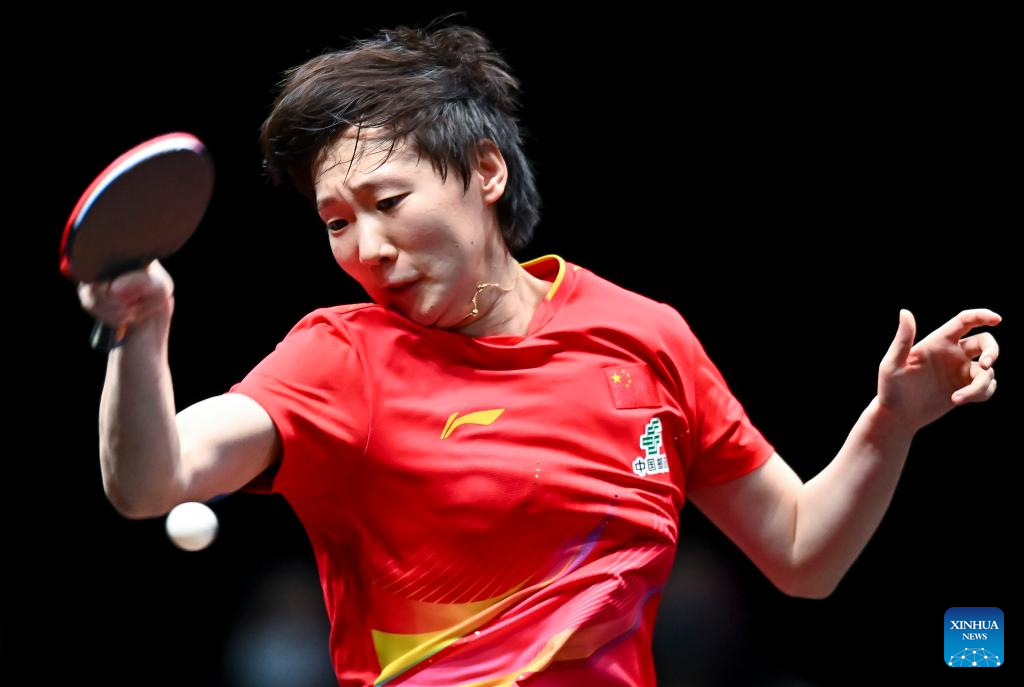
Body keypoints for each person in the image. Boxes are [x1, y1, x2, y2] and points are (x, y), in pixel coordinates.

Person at [76, 18, 1002, 687]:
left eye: (388, 202)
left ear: (485, 171)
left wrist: (892, 422)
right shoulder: (338, 358)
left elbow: (802, 554)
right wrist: (140, 333)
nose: (367, 247)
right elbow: (153, 481)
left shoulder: (645, 336)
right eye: (336, 221)